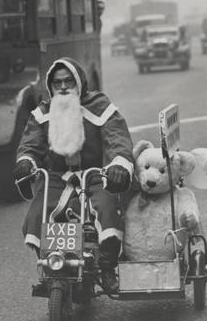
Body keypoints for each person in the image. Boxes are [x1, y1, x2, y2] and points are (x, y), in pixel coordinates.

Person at [14, 56, 134, 294]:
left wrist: (118, 164)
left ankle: (108, 268)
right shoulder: (43, 112)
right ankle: (50, 267)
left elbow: (117, 139)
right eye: (57, 82)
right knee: (38, 213)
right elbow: (30, 144)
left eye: (69, 80)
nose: (63, 87)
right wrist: (25, 162)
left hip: (96, 175)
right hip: (58, 178)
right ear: (50, 85)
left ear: (79, 81)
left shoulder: (99, 106)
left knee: (108, 209)